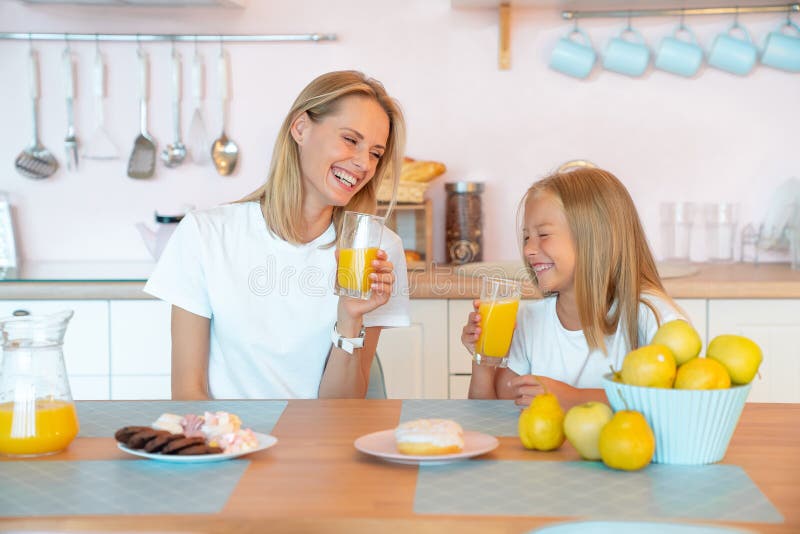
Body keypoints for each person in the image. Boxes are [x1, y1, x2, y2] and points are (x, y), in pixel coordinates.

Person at [145, 71, 410, 400]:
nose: (362, 164)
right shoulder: (206, 234)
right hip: (228, 443)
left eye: (375, 153)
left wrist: (350, 317)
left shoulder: (377, 249)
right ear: (300, 128)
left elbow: (343, 410)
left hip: (321, 447)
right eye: (351, 140)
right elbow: (189, 394)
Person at [461, 167, 685, 406]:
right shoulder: (528, 320)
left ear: (596, 239)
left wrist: (576, 398)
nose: (528, 249)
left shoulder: (651, 316)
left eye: (543, 234)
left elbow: (679, 402)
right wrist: (484, 360)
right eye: (527, 237)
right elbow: (492, 413)